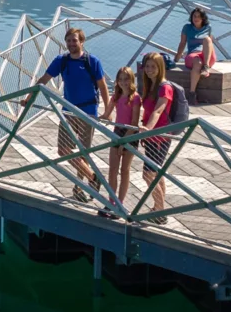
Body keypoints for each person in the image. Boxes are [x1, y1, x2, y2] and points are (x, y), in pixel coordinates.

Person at [36, 25, 110, 203]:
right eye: (68, 41)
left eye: (74, 40)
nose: (71, 44)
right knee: (63, 150)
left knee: (84, 152)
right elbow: (44, 80)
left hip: (88, 112)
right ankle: (93, 178)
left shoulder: (92, 61)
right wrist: (29, 96)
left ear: (82, 42)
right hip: (68, 111)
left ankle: (79, 188)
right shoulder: (61, 61)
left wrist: (108, 111)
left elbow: (102, 86)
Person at [135, 52, 178, 217]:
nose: (149, 70)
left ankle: (160, 212)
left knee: (148, 174)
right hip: (153, 137)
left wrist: (148, 129)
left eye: (153, 66)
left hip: (159, 137)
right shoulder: (151, 85)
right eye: (147, 66)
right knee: (156, 174)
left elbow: (159, 110)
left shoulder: (164, 87)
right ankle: (159, 209)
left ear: (160, 68)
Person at [105, 66, 140, 218]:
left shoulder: (136, 97)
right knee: (112, 169)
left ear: (132, 80)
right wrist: (94, 118)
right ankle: (111, 202)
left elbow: (134, 122)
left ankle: (120, 202)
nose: (123, 83)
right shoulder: (116, 96)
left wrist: (124, 141)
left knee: (124, 170)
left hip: (130, 134)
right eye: (120, 80)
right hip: (117, 132)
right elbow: (107, 114)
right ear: (117, 81)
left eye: (126, 79)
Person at [176, 7, 218, 106]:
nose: (196, 18)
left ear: (203, 18)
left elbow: (210, 44)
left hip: (207, 56)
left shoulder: (208, 27)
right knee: (197, 62)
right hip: (193, 56)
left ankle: (206, 67)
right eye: (194, 16)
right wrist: (176, 58)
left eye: (199, 16)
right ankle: (192, 94)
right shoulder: (187, 27)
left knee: (207, 39)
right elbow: (182, 43)